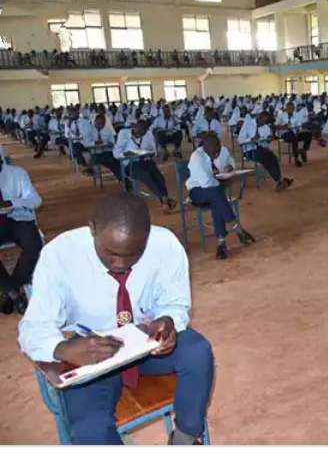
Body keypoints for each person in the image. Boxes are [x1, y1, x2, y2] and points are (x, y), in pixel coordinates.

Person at [18, 193, 214, 445]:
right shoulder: (60, 255)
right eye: (110, 254)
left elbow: (176, 304)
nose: (121, 264)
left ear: (147, 236)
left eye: (135, 254)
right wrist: (62, 348)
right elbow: (33, 328)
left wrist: (169, 321)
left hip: (145, 343)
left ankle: (185, 439)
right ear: (93, 228)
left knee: (197, 352)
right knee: (90, 429)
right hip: (90, 350)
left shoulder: (165, 245)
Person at [186, 134, 255, 260]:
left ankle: (221, 244)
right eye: (213, 152)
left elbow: (230, 162)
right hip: (198, 192)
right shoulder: (197, 157)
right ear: (204, 148)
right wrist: (222, 182)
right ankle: (237, 229)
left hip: (216, 192)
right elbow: (205, 183)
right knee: (217, 195)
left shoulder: (223, 151)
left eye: (217, 150)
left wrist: (230, 168)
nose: (216, 154)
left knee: (217, 202)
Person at [0, 147, 42, 314]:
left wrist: (12, 203)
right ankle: (15, 294)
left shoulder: (17, 174)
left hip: (19, 219)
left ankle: (10, 292)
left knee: (33, 245)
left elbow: (35, 200)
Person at [113, 120, 176, 211]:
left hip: (145, 160)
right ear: (134, 127)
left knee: (158, 175)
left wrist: (149, 153)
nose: (140, 135)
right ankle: (164, 199)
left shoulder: (148, 134)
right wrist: (125, 154)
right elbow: (116, 153)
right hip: (130, 163)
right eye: (138, 133)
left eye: (143, 134)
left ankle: (164, 198)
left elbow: (153, 150)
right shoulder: (123, 133)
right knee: (146, 175)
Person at [238, 112, 293, 192]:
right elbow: (240, 140)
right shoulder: (248, 123)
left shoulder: (266, 127)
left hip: (260, 149)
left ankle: (279, 180)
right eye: (261, 121)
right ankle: (278, 180)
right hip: (248, 151)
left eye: (264, 122)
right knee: (266, 156)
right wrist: (250, 140)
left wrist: (267, 140)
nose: (261, 124)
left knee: (272, 156)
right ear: (258, 117)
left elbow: (264, 143)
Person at [274, 101, 312, 167]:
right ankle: (296, 158)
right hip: (285, 133)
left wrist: (298, 130)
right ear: (286, 108)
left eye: (291, 109)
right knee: (294, 138)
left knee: (308, 134)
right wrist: (283, 126)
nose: (290, 110)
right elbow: (275, 126)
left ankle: (304, 150)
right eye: (288, 109)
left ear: (294, 108)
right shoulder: (281, 115)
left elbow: (299, 126)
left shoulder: (297, 115)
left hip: (295, 132)